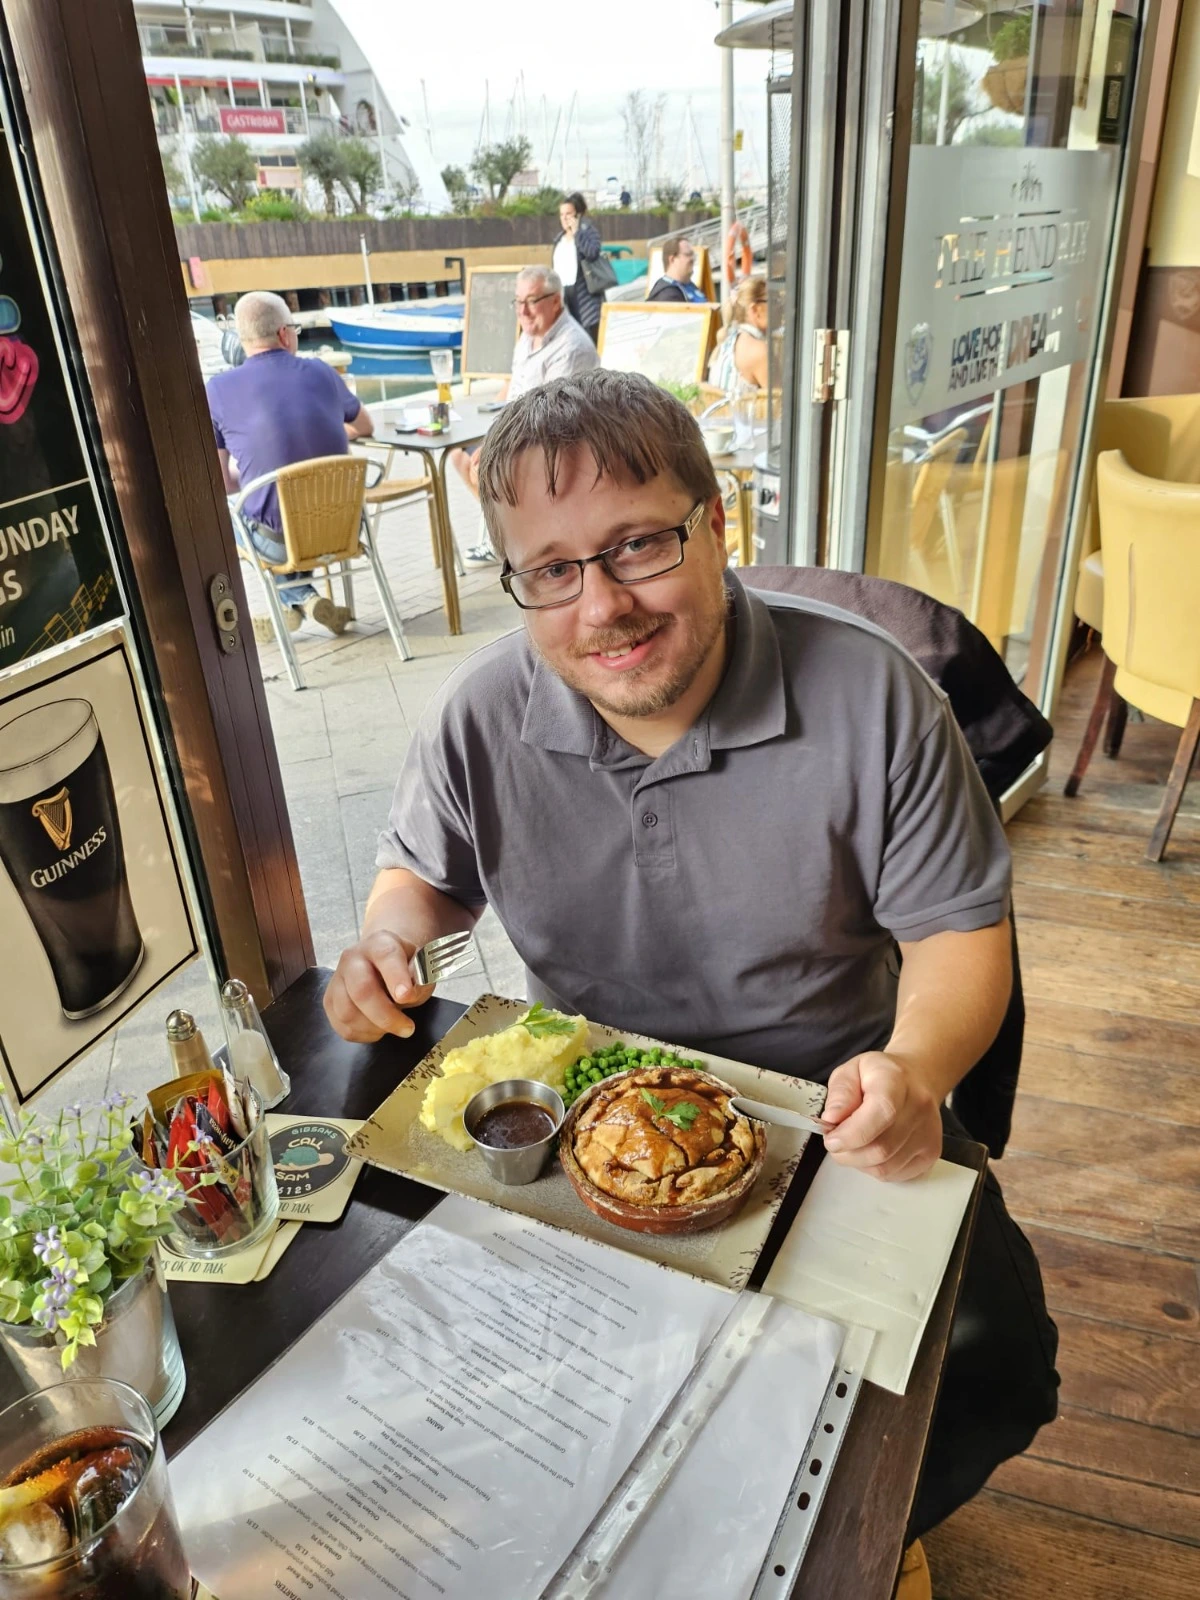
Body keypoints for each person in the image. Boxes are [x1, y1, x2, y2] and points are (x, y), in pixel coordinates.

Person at [324, 370, 1059, 1596]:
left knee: (999, 1362)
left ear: (718, 526)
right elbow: (422, 876)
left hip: (832, 1116)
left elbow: (958, 939)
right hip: (583, 1126)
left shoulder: (876, 695)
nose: (602, 604)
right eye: (552, 569)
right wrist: (389, 941)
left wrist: (919, 1067)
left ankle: (828, 1536)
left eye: (638, 546)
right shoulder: (482, 714)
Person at [207, 291, 374, 640]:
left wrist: (262, 478)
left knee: (225, 511)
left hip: (280, 543)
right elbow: (365, 427)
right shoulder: (322, 372)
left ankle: (296, 600)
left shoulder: (218, 390)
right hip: (345, 528)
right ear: (285, 333)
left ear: (242, 339)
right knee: (281, 511)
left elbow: (222, 482)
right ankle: (302, 600)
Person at [448, 265, 598, 567]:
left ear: (555, 301)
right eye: (517, 302)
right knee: (458, 455)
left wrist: (491, 446)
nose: (523, 311)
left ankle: (520, 541)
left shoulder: (571, 347)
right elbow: (511, 387)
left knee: (483, 467)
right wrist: (477, 423)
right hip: (519, 432)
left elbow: (550, 419)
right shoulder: (529, 338)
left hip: (553, 444)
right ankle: (509, 536)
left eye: (531, 301)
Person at [552, 192, 605, 344]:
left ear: (578, 215)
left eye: (569, 214)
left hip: (584, 296)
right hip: (563, 295)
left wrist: (577, 234)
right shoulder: (558, 240)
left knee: (587, 339)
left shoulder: (588, 232)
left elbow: (592, 253)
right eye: (561, 214)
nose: (564, 218)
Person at [708, 274, 769, 392]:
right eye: (774, 300)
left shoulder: (728, 340)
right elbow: (783, 403)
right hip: (741, 410)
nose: (781, 306)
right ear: (755, 309)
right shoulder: (757, 350)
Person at [646, 235, 709, 303]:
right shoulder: (667, 295)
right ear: (672, 259)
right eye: (688, 254)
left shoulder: (689, 286)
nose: (693, 259)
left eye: (693, 255)